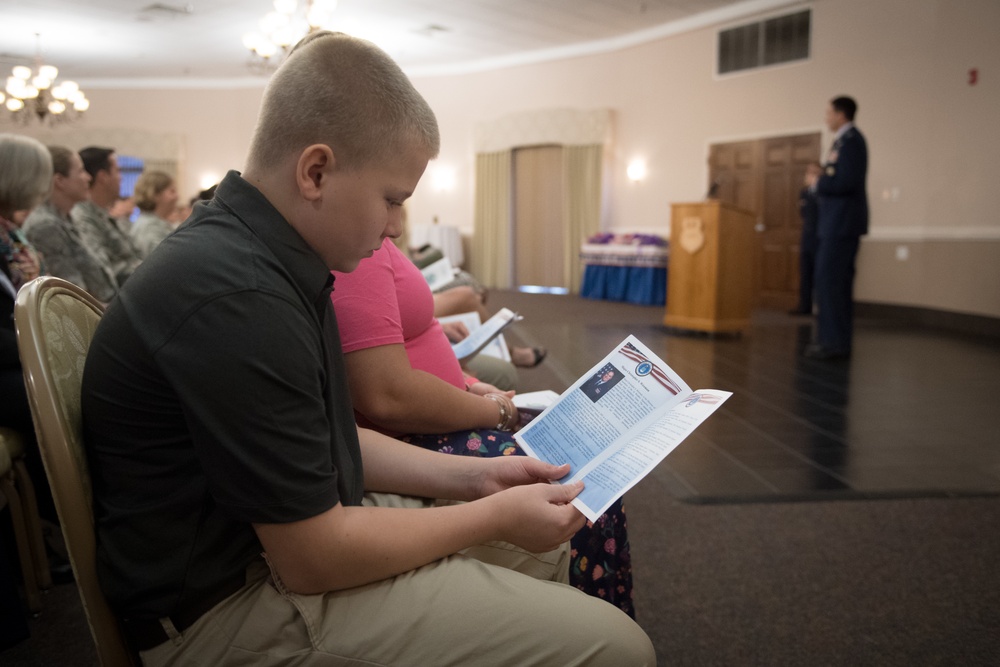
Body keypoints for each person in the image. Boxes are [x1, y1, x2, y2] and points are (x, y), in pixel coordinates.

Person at [81, 31, 653, 666]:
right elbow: (314, 556)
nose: (397, 227)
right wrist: (490, 515)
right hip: (223, 605)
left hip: (265, 543)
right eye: (391, 199)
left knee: (553, 545)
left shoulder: (266, 256)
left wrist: (481, 477)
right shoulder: (237, 294)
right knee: (616, 648)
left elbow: (331, 442)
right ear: (316, 171)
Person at [332, 236, 636, 615]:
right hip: (413, 433)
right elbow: (388, 395)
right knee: (583, 487)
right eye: (391, 200)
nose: (394, 223)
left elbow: (408, 339)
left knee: (588, 450)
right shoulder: (351, 250)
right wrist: (498, 412)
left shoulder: (370, 239)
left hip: (448, 406)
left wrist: (470, 385)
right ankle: (594, 620)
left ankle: (598, 617)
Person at [804, 96, 869, 360]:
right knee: (832, 283)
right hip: (836, 223)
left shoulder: (851, 141)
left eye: (829, 112)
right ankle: (834, 340)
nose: (826, 117)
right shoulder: (843, 140)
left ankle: (833, 342)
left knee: (831, 282)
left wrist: (818, 184)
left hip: (841, 224)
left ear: (841, 114)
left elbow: (846, 182)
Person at [22, 146, 118, 303]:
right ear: (59, 181)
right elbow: (72, 296)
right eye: (80, 171)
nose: (87, 177)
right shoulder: (45, 226)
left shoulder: (65, 217)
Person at [73, 146, 142, 285]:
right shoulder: (83, 217)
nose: (121, 178)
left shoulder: (103, 214)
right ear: (103, 177)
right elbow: (104, 270)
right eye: (117, 171)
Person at [789, 162, 822, 316]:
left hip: (821, 237)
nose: (810, 175)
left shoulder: (823, 192)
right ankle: (804, 306)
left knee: (819, 274)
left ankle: (819, 307)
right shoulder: (804, 192)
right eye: (809, 172)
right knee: (805, 272)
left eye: (814, 172)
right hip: (807, 237)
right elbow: (804, 213)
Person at [130, 169, 179, 258]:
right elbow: (164, 260)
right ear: (155, 195)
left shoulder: (155, 223)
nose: (177, 196)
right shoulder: (149, 227)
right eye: (172, 191)